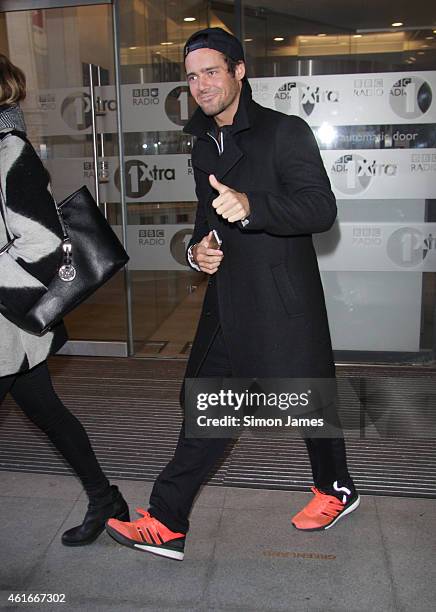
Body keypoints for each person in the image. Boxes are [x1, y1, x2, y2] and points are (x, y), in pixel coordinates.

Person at [106, 28, 359, 561]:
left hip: (279, 299)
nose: (201, 85)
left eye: (212, 71)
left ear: (239, 71)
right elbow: (205, 221)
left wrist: (254, 206)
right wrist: (198, 252)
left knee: (304, 400)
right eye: (192, 75)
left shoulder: (283, 131)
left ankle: (333, 487)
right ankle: (169, 520)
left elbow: (320, 209)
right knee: (216, 406)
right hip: (227, 302)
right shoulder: (202, 143)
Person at [0, 53, 129, 546]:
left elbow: (43, 243)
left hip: (9, 324)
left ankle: (104, 497)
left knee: (48, 411)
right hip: (13, 331)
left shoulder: (11, 153)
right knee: (47, 411)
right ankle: (105, 497)